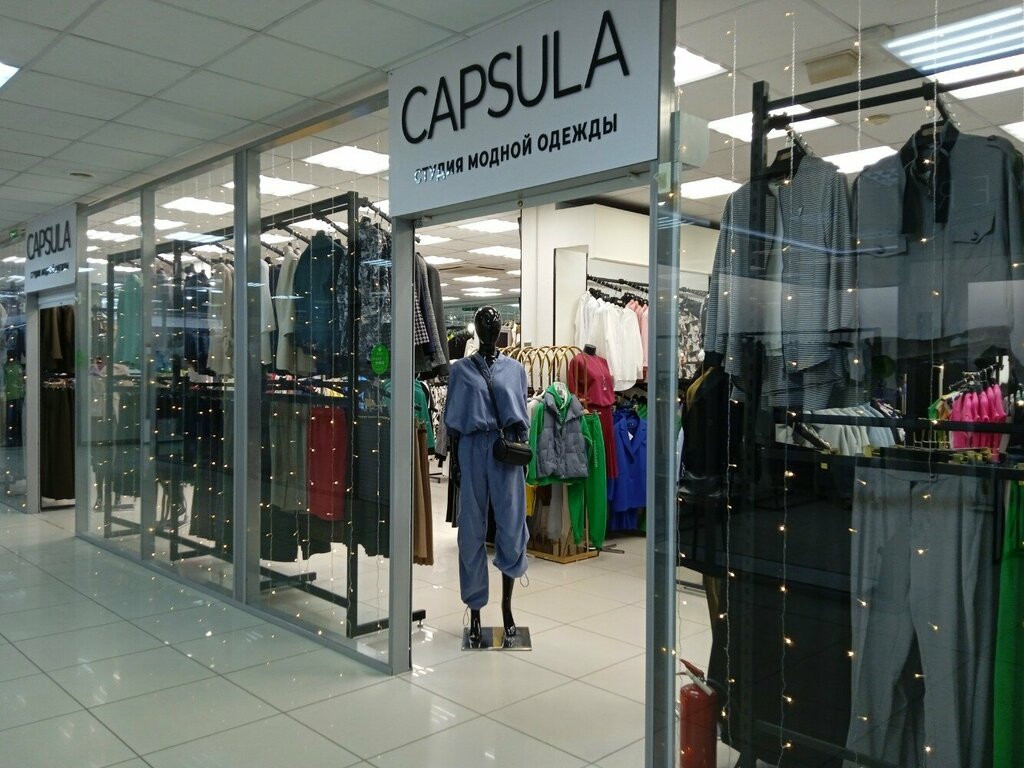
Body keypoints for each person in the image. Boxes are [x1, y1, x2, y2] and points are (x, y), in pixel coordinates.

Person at [444, 306, 529, 646]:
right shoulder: (460, 370)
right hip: (472, 447)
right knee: (471, 530)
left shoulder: (516, 370)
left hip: (506, 448)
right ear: (477, 330)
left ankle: (507, 608)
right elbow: (453, 421)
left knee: (511, 525)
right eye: (483, 324)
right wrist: (454, 463)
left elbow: (521, 417)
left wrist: (524, 455)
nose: (489, 330)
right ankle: (475, 608)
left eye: (494, 324)